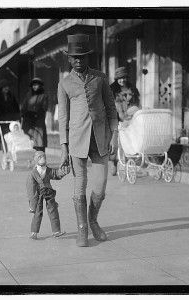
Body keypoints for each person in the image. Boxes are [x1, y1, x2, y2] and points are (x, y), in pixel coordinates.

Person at [57, 34, 118, 247]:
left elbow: (111, 109)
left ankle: (93, 221)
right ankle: (82, 229)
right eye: (75, 57)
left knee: (100, 186)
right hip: (77, 140)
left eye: (82, 56)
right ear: (69, 59)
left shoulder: (100, 78)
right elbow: (63, 118)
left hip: (100, 139)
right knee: (79, 184)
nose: (79, 60)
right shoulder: (64, 83)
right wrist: (64, 148)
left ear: (88, 56)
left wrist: (115, 135)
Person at [26, 151, 69, 240]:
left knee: (53, 210)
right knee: (38, 212)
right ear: (36, 159)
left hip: (49, 192)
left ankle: (56, 231)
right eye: (40, 157)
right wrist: (32, 204)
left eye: (43, 157)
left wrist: (63, 172)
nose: (42, 158)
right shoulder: (33, 173)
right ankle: (34, 232)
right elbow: (31, 189)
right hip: (38, 194)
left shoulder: (48, 170)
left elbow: (56, 174)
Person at [109, 67, 141, 175]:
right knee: (116, 142)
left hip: (131, 118)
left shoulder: (132, 89)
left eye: (123, 78)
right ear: (116, 79)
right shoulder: (112, 90)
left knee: (130, 140)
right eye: (119, 78)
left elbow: (137, 103)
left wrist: (134, 113)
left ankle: (129, 161)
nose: (122, 80)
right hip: (117, 118)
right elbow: (111, 106)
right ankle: (114, 163)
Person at [21, 78, 48, 152]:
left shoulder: (44, 96)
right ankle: (32, 159)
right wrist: (24, 114)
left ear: (40, 86)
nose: (35, 87)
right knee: (30, 142)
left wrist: (36, 113)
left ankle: (41, 160)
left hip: (38, 121)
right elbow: (24, 107)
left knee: (40, 141)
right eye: (33, 85)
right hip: (29, 121)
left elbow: (44, 108)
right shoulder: (28, 95)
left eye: (36, 85)